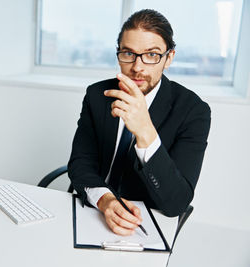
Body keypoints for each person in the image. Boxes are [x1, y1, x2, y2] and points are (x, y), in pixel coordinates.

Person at [68, 9, 211, 236]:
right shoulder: (98, 95)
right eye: (128, 53)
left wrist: (146, 132)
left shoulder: (193, 111)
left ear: (169, 58)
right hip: (92, 208)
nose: (137, 67)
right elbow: (80, 163)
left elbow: (176, 203)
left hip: (142, 223)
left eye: (152, 55)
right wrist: (105, 200)